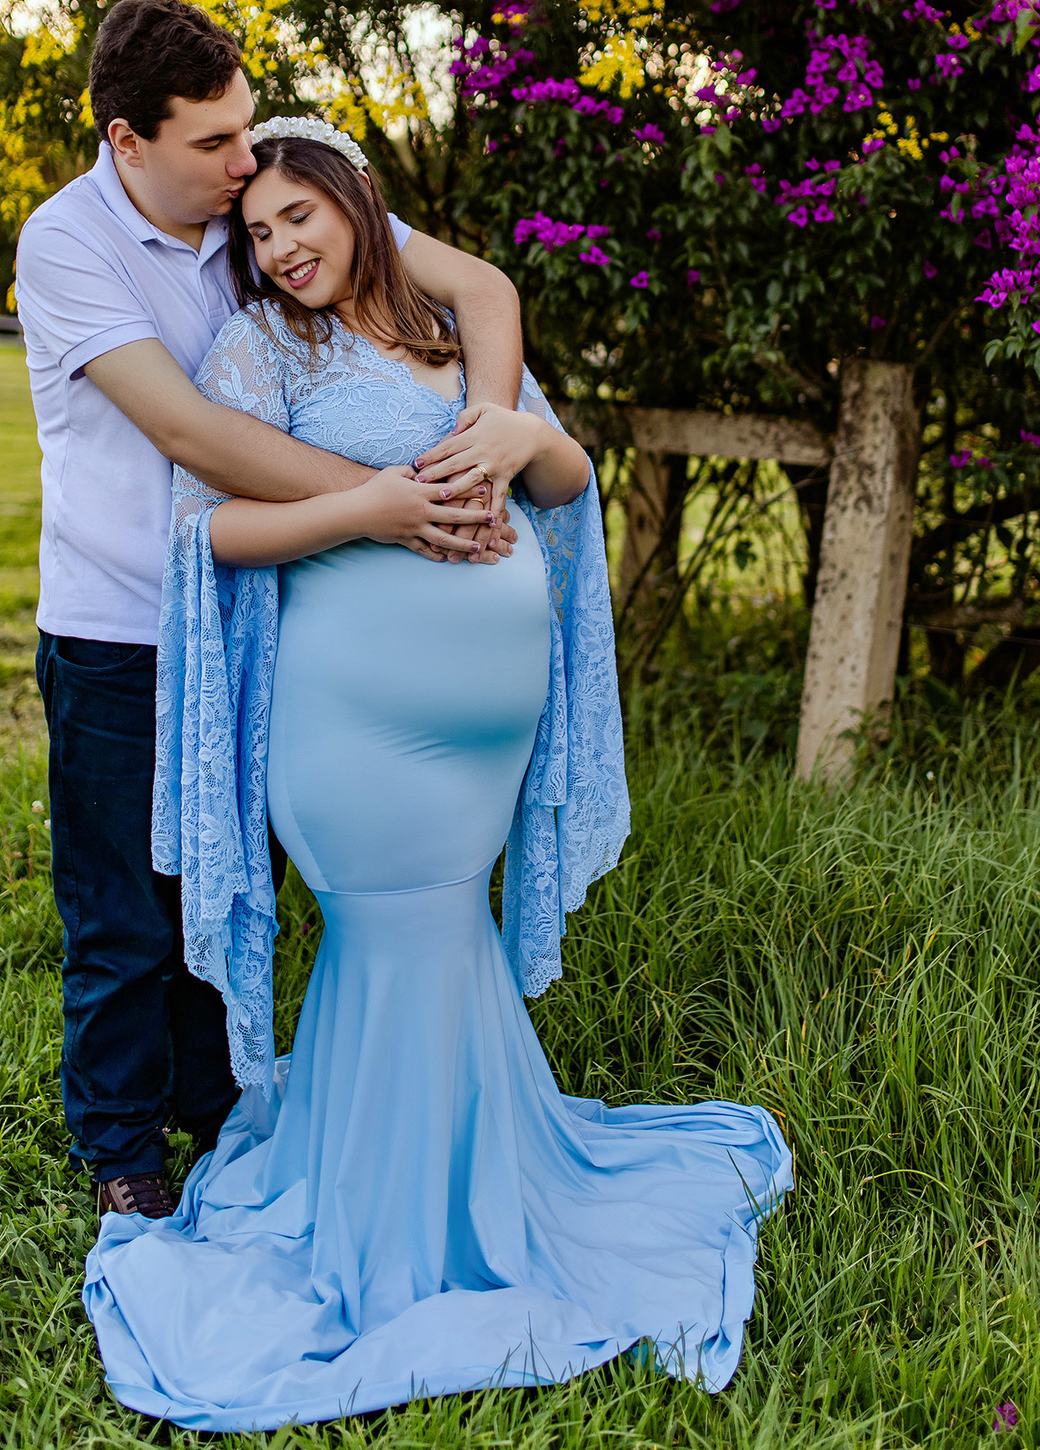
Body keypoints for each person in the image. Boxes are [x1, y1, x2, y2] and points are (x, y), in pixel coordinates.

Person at [83, 120, 793, 1430]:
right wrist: (366, 510)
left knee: (448, 939)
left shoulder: (456, 343)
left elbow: (568, 477)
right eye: (258, 233)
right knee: (392, 936)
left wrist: (519, 441)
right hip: (351, 734)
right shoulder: (260, 350)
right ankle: (392, 1235)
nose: (280, 249)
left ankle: (471, 1187)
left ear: (358, 202)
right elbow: (213, 528)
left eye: (299, 216)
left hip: (480, 747)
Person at [14, 0, 527, 1220]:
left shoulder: (264, 208)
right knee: (125, 910)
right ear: (129, 141)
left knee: (232, 879)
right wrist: (396, 500)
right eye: (213, 142)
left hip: (264, 621)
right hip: (125, 623)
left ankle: (218, 1106)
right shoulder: (67, 241)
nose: (244, 159)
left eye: (246, 128)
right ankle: (123, 1149)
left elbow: (479, 291)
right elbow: (194, 434)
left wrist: (489, 443)